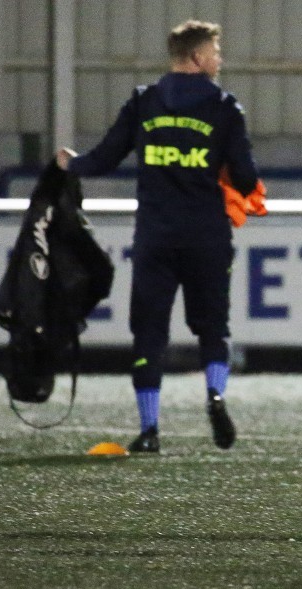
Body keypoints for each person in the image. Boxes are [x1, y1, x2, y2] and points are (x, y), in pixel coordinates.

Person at [56, 20, 261, 453]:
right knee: (213, 328)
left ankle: (149, 430)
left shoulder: (144, 101)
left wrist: (70, 164)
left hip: (155, 236)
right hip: (207, 234)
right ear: (198, 57)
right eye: (216, 53)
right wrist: (228, 176)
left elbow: (105, 158)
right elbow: (245, 179)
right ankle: (216, 395)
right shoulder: (225, 108)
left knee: (148, 331)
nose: (219, 61)